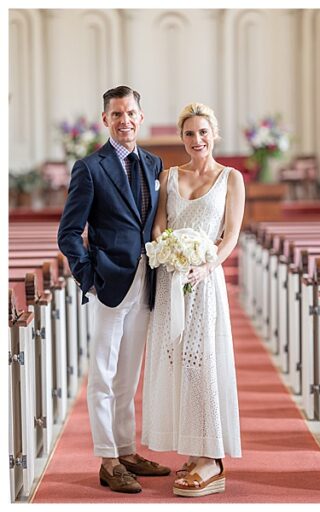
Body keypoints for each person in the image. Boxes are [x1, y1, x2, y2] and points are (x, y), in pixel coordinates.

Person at [57, 85, 172, 494]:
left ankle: (126, 449)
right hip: (108, 283)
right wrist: (88, 276)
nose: (125, 120)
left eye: (131, 113)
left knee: (128, 377)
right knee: (103, 377)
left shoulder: (154, 162)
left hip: (146, 282)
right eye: (116, 114)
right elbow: (69, 232)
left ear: (141, 117)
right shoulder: (89, 168)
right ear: (105, 120)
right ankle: (107, 458)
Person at [140, 102, 245, 498]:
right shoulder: (169, 176)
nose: (196, 140)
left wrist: (207, 265)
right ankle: (192, 446)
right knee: (174, 362)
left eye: (203, 132)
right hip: (171, 280)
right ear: (181, 138)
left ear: (213, 134)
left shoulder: (231, 178)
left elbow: (231, 234)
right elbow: (161, 223)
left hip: (204, 282)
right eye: (189, 133)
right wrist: (166, 250)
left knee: (202, 364)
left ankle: (211, 458)